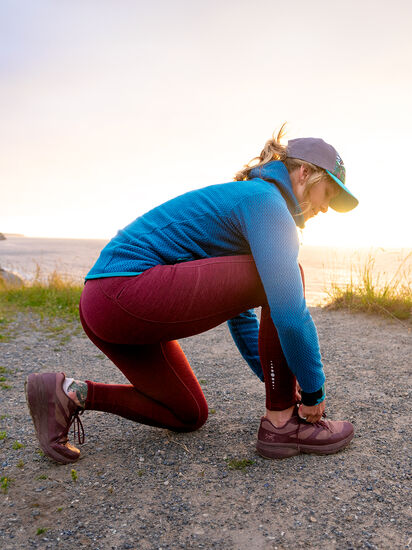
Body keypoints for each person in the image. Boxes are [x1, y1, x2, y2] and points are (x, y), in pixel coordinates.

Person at [25, 126, 359, 464]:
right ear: (304, 173)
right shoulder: (266, 202)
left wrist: (280, 382)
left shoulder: (254, 200)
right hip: (123, 290)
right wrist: (313, 390)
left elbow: (239, 311)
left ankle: (67, 394)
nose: (327, 208)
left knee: (186, 412)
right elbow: (289, 313)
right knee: (290, 277)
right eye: (328, 193)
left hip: (105, 305)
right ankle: (282, 425)